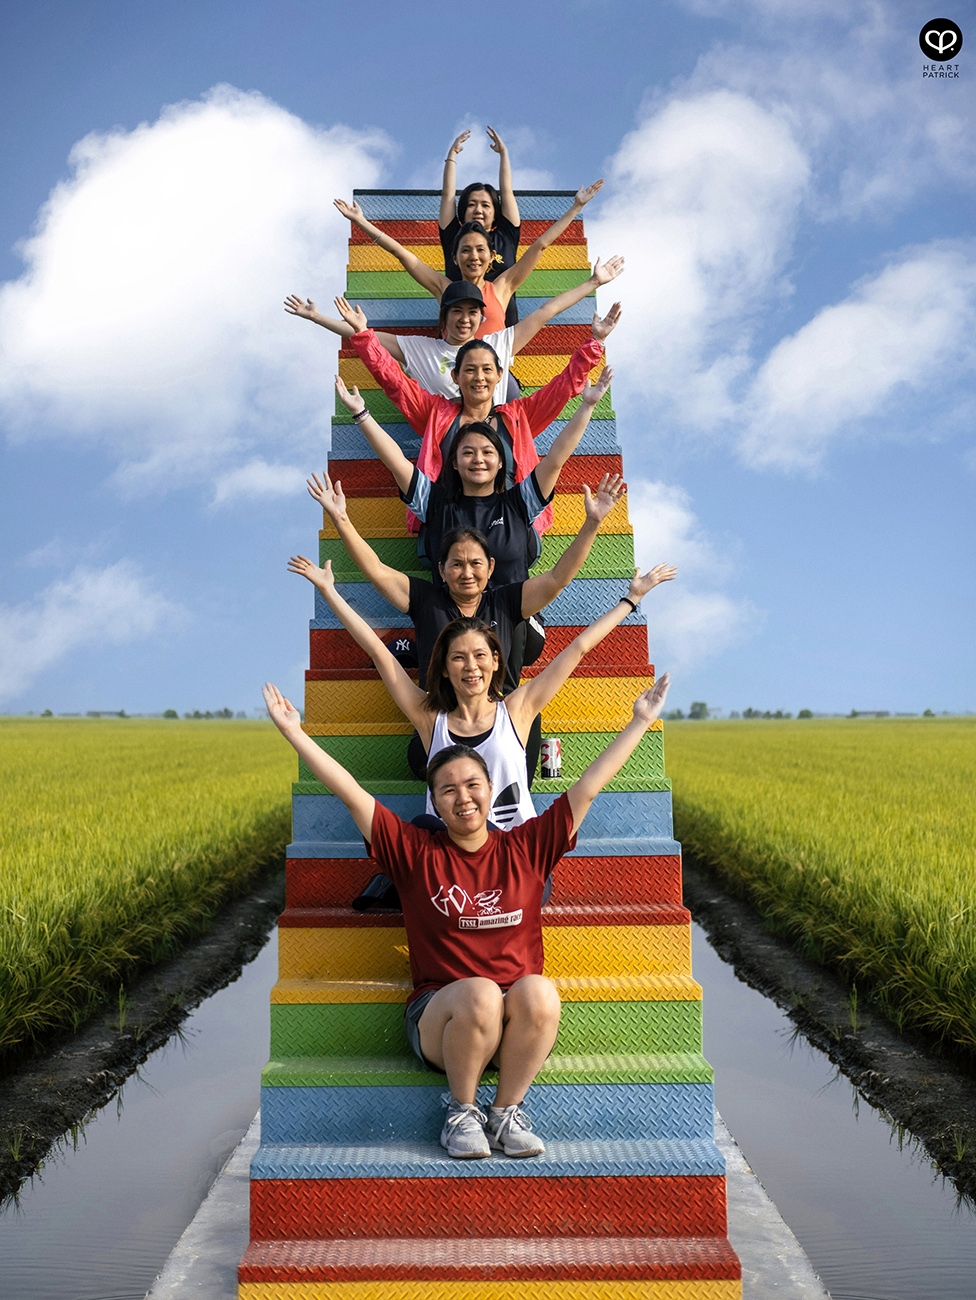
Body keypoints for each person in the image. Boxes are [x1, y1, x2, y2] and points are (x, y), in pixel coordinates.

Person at [262, 672, 671, 1158]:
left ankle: (506, 1112)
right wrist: (294, 733)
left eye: (473, 784)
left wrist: (639, 722)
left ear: (491, 787)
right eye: (448, 789)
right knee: (480, 993)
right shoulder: (415, 852)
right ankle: (461, 1113)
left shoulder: (526, 847)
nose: (463, 797)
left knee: (539, 992)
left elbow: (586, 789)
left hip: (510, 1028)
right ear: (434, 801)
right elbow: (351, 792)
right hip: (442, 1021)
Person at [287, 556, 676, 829]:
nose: (470, 666)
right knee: (423, 828)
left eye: (479, 656)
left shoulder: (517, 710)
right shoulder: (430, 719)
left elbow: (578, 648)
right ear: (444, 667)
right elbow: (378, 651)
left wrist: (631, 600)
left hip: (511, 857)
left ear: (495, 662)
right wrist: (329, 592)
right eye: (458, 658)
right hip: (451, 863)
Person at [302, 471, 626, 691]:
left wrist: (592, 523)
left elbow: (558, 578)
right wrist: (340, 518)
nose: (467, 573)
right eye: (456, 564)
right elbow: (376, 570)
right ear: (442, 570)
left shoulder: (505, 602)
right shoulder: (427, 600)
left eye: (475, 564)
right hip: (441, 721)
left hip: (494, 717)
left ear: (491, 567)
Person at [336, 297, 619, 533]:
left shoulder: (518, 416)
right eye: (469, 370)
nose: (479, 377)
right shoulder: (436, 413)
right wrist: (363, 335)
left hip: (510, 526)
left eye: (486, 370)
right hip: (449, 526)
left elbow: (562, 387)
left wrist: (596, 341)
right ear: (456, 377)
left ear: (499, 375)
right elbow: (394, 381)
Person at [332, 363, 614, 582]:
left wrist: (587, 406)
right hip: (452, 621)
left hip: (509, 618)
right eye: (467, 452)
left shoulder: (518, 503)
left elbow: (555, 460)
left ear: (502, 463)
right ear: (454, 462)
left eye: (488, 452)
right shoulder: (435, 503)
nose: (478, 459)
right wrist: (362, 415)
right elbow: (396, 462)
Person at [283, 250, 623, 404]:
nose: (465, 319)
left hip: (494, 445)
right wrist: (317, 317)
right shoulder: (421, 349)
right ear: (443, 318)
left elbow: (547, 310)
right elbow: (365, 337)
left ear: (480, 318)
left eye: (472, 313)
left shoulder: (497, 344)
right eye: (456, 311)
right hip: (447, 446)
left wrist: (593, 282)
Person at [334, 176, 603, 337]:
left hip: (494, 382)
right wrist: (361, 222)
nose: (473, 257)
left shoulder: (501, 289)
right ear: (455, 258)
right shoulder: (445, 289)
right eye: (465, 250)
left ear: (491, 257)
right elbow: (401, 253)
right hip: (454, 378)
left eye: (480, 250)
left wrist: (576, 207)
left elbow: (541, 247)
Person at [439, 127, 522, 327]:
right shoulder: (454, 237)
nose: (478, 210)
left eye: (485, 205)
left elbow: (507, 192)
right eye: (471, 204)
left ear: (495, 212)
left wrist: (504, 154)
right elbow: (448, 195)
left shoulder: (506, 236)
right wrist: (451, 157)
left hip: (503, 328)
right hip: (459, 329)